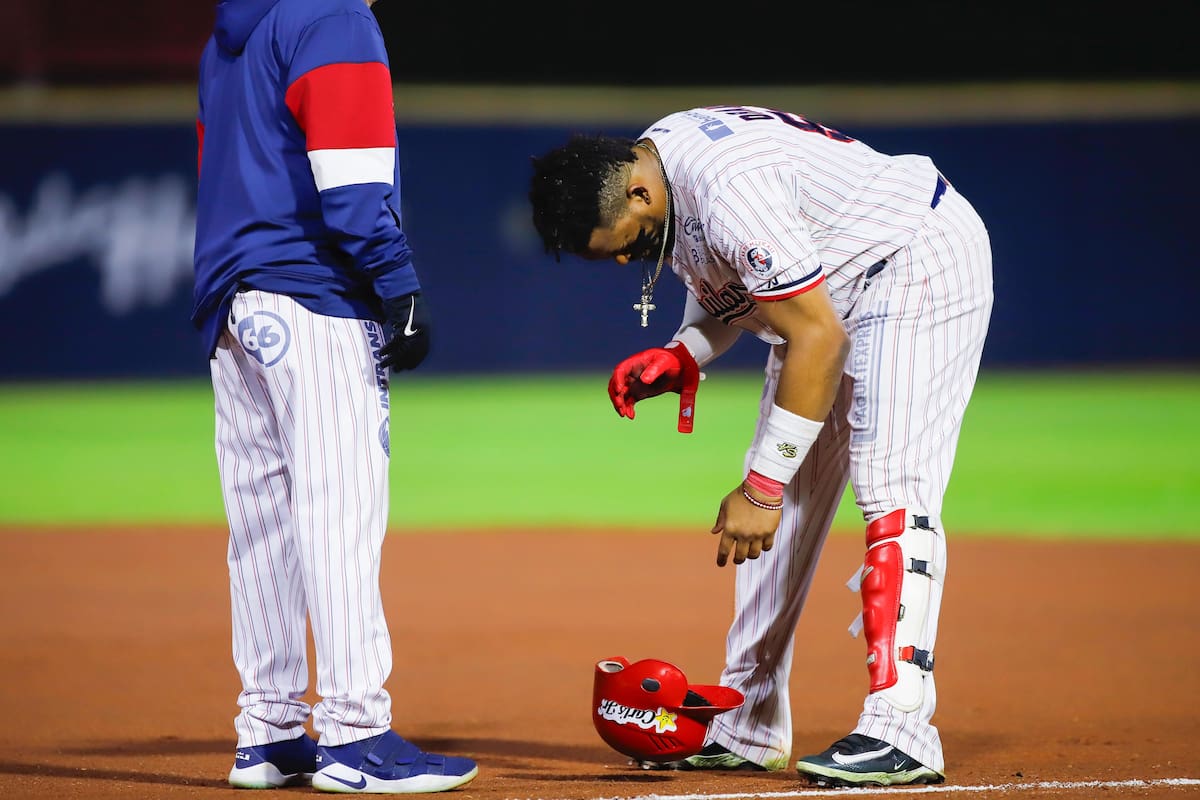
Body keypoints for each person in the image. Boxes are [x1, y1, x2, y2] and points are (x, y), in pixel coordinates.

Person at [528, 105, 993, 787]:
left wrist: (761, 488)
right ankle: (748, 721)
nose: (627, 257)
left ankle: (902, 728)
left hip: (911, 262)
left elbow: (818, 336)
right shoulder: (660, 166)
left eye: (624, 242)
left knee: (890, 487)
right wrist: (686, 350)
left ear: (636, 190)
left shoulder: (725, 187)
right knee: (780, 519)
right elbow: (732, 283)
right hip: (828, 298)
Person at [192, 0, 478, 793]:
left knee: (263, 530)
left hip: (234, 305)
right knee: (339, 519)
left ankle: (270, 731)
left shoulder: (227, 36)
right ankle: (354, 736)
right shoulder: (334, 18)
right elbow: (351, 175)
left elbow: (214, 165)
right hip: (317, 298)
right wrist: (398, 282)